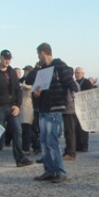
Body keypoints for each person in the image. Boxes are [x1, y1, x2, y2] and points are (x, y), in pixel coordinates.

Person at [32, 43, 78, 183]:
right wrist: (36, 93)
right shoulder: (42, 70)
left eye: (38, 54)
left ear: (42, 53)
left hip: (55, 108)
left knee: (52, 141)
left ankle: (60, 171)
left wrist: (76, 94)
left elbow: (70, 82)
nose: (38, 57)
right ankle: (49, 170)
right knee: (44, 141)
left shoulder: (59, 66)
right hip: (43, 108)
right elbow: (36, 90)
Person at [0, 50, 33, 168]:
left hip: (11, 106)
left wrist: (17, 105)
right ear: (0, 58)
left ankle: (20, 158)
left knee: (18, 131)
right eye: (5, 58)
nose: (7, 60)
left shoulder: (11, 72)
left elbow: (18, 90)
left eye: (9, 58)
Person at [20, 65, 40, 155]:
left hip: (27, 106)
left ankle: (27, 147)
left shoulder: (28, 84)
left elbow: (27, 87)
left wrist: (22, 84)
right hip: (28, 106)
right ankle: (36, 146)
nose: (25, 72)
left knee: (27, 128)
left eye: (27, 71)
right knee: (28, 128)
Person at [74, 67, 93, 152]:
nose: (76, 74)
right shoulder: (73, 83)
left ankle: (84, 145)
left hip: (84, 107)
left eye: (78, 73)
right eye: (75, 73)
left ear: (82, 74)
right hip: (75, 107)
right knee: (76, 127)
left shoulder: (87, 82)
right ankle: (77, 144)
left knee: (84, 127)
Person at [62, 75, 81, 161]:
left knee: (70, 132)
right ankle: (68, 150)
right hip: (73, 110)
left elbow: (69, 99)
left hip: (69, 110)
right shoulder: (76, 83)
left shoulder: (70, 84)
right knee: (69, 131)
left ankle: (71, 152)